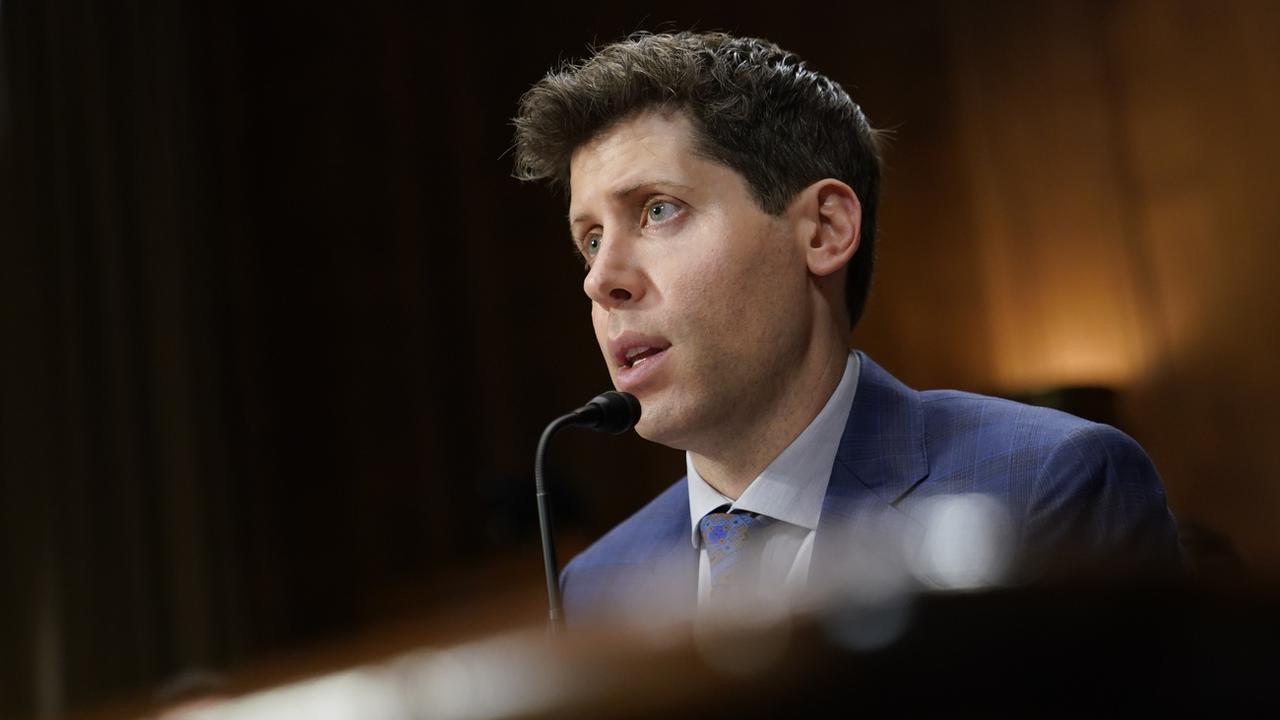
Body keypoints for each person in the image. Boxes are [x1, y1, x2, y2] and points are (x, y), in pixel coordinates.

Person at [512, 31, 1182, 626]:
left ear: (825, 230)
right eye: (592, 239)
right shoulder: (593, 590)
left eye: (658, 210)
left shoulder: (1048, 487)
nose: (600, 281)